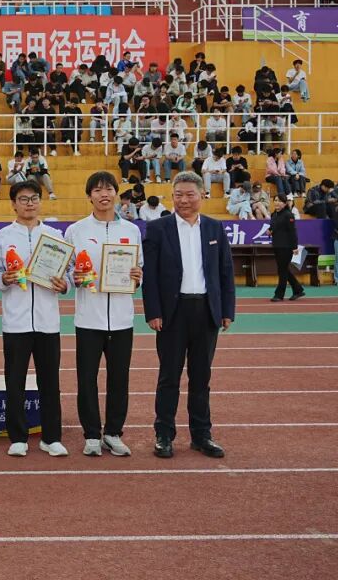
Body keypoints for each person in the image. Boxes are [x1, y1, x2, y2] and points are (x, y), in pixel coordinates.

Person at [143, 171, 236, 460]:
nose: (184, 200)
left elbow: (225, 271)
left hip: (206, 311)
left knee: (201, 377)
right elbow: (150, 275)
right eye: (178, 195)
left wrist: (226, 311)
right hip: (172, 313)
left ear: (202, 196)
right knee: (169, 376)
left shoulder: (214, 228)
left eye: (189, 194)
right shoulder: (158, 228)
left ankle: (201, 435)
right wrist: (153, 311)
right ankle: (164, 434)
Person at [63, 172, 144, 457]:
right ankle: (91, 435)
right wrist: (75, 278)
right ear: (89, 196)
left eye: (108, 189)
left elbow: (139, 269)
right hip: (88, 318)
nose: (103, 194)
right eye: (97, 190)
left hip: (122, 319)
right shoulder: (76, 231)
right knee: (86, 379)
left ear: (116, 193)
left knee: (119, 379)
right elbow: (67, 272)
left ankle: (113, 433)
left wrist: (137, 276)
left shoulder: (132, 230)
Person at [0, 180, 69, 458]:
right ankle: (18, 437)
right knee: (15, 381)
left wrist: (64, 285)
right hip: (16, 321)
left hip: (48, 321)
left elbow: (68, 274)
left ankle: (51, 437)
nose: (29, 203)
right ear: (13, 204)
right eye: (23, 199)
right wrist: (4, 279)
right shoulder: (1, 237)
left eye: (34, 198)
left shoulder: (55, 236)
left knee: (50, 382)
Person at [265, 194, 306, 302]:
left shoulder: (288, 215)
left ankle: (279, 294)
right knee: (283, 269)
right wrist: (270, 231)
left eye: (279, 201)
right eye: (275, 200)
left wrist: (295, 247)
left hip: (286, 246)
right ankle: (298, 289)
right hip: (277, 245)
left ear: (284, 203)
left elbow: (292, 232)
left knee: (282, 270)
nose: (277, 202)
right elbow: (273, 227)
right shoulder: (274, 214)